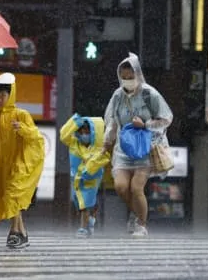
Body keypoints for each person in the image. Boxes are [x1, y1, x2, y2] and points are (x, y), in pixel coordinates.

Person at [102, 52, 173, 238]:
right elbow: (111, 121)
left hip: (145, 149)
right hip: (123, 150)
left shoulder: (150, 94)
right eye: (123, 77)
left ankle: (141, 224)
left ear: (138, 74)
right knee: (120, 187)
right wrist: (106, 143)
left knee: (136, 187)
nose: (127, 80)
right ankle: (136, 212)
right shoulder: (117, 96)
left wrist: (146, 125)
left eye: (130, 77)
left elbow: (166, 118)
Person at [0, 72, 45, 249]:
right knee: (9, 197)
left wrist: (22, 129)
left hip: (20, 164)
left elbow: (36, 138)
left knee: (12, 194)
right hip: (2, 166)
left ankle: (15, 232)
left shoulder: (21, 115)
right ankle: (21, 233)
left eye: (3, 95)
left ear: (11, 94)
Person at [60, 113, 110, 238]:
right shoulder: (74, 143)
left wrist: (89, 167)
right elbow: (63, 135)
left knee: (85, 203)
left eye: (87, 131)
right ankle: (90, 220)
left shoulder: (99, 148)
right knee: (79, 202)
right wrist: (75, 121)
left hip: (90, 179)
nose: (84, 134)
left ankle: (83, 228)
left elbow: (102, 160)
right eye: (81, 131)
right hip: (76, 179)